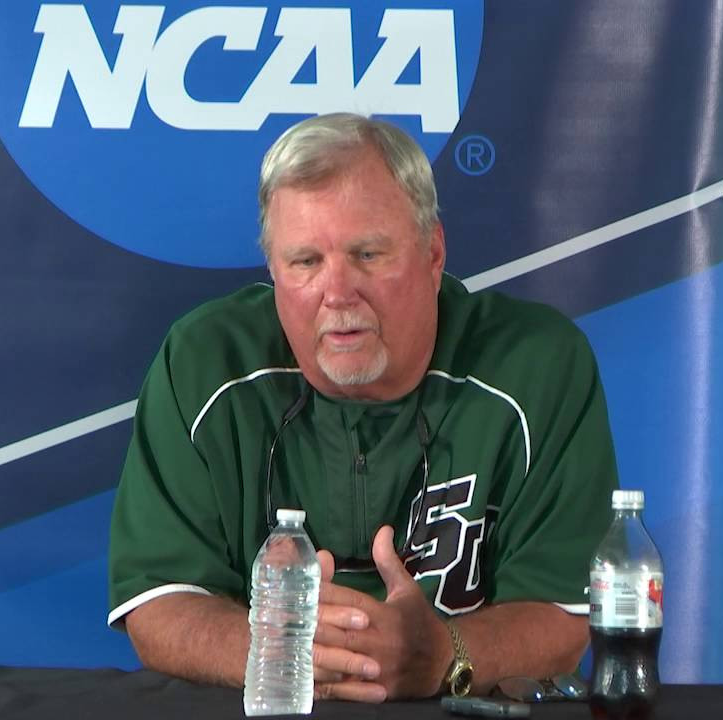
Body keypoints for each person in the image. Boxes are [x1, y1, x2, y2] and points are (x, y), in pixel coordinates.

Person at [108, 113, 617, 702]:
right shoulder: (203, 361)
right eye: (305, 262)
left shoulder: (538, 364)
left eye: (369, 254)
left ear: (432, 253)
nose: (338, 291)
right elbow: (160, 603)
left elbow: (561, 614)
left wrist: (444, 654)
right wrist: (291, 650)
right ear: (273, 270)